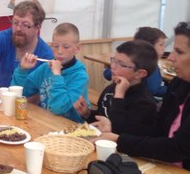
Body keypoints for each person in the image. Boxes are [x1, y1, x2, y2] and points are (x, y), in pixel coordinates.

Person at [94, 22, 190, 170]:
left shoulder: (144, 101)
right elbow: (158, 129)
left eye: (179, 51)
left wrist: (120, 140)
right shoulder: (179, 83)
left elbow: (177, 149)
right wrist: (114, 128)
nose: (170, 57)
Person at [74, 40, 158, 135]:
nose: (112, 66)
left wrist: (119, 95)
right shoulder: (111, 88)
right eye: (113, 60)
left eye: (121, 64)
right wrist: (87, 114)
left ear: (139, 73)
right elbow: (103, 118)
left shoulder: (145, 104)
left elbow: (118, 132)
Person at [11, 22, 89, 122]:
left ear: (77, 48)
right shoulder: (45, 68)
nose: (59, 51)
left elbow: (59, 108)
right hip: (47, 122)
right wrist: (22, 70)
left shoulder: (80, 76)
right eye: (55, 46)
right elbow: (20, 94)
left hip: (71, 129)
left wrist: (56, 75)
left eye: (66, 47)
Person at [0, 0, 54, 97]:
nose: (18, 28)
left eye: (25, 25)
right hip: (0, 102)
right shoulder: (4, 37)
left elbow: (41, 94)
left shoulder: (46, 55)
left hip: (29, 107)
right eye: (15, 22)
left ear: (38, 27)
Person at [104, 27, 168, 98]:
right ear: (149, 46)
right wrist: (169, 89)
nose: (163, 48)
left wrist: (109, 72)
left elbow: (107, 74)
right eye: (161, 45)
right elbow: (153, 90)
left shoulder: (129, 62)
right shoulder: (152, 67)